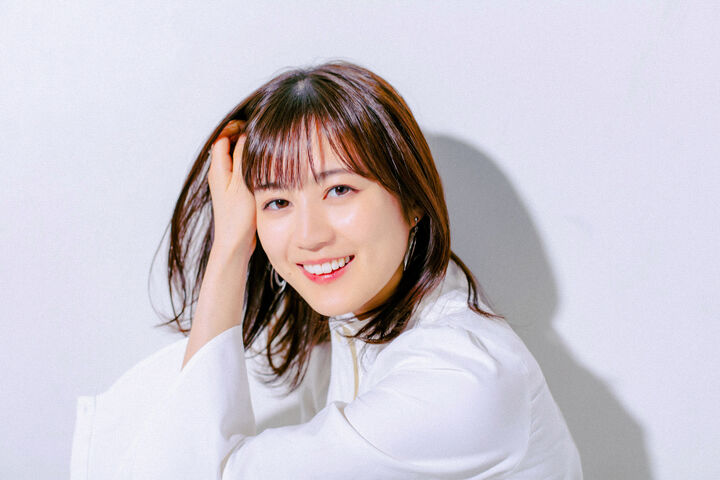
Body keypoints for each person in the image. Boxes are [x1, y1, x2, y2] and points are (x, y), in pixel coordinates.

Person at [71, 61, 582, 479]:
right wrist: (233, 240)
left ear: (412, 201)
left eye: (339, 190)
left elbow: (193, 472)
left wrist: (228, 252)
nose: (309, 235)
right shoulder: (360, 320)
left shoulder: (458, 381)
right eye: (276, 202)